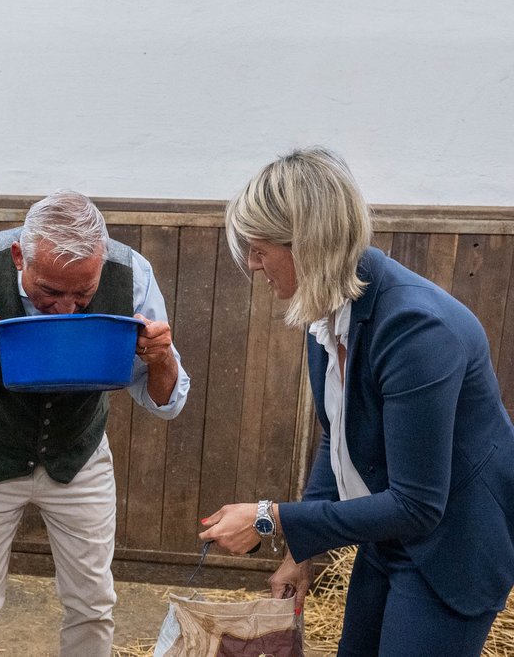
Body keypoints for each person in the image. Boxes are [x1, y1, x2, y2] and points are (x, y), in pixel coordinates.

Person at [199, 147, 514, 656]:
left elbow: (418, 504)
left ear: (307, 245)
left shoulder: (416, 331)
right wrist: (303, 551)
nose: (254, 264)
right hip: (389, 533)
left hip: (453, 546)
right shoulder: (327, 310)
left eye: (259, 250)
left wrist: (270, 517)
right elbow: (338, 439)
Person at [0, 189, 190, 656]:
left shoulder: (132, 273)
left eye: (83, 293)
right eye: (51, 292)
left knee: (93, 602)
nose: (66, 308)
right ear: (19, 256)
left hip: (79, 455)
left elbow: (168, 402)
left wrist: (160, 358)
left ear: (101, 261)